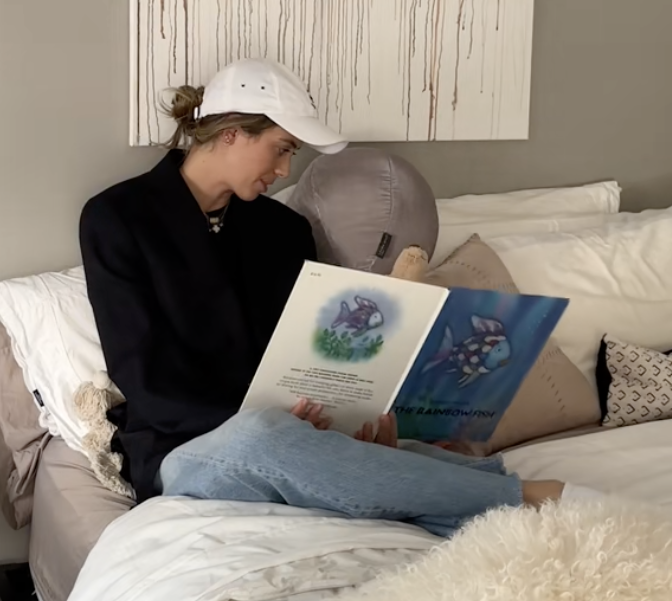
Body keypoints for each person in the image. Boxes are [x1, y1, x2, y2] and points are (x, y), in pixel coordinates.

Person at [80, 57, 602, 539]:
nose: (286, 171)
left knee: (408, 449)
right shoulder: (118, 219)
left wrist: (354, 414)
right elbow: (144, 381)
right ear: (234, 132)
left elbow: (312, 350)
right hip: (185, 448)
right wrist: (277, 421)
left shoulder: (280, 230)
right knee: (261, 434)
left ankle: (475, 515)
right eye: (282, 148)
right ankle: (525, 498)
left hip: (304, 433)